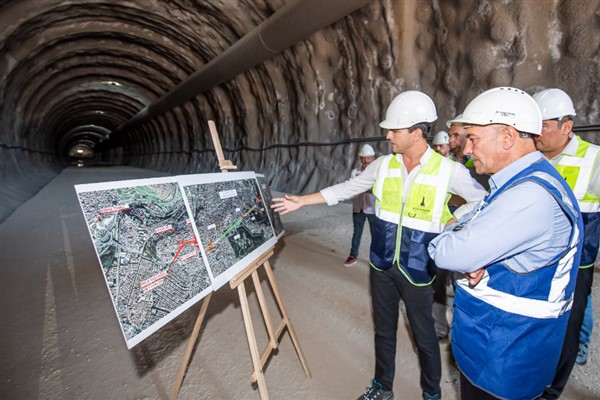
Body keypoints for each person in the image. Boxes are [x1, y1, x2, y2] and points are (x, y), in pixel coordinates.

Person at [272, 90, 487, 400]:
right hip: (382, 264)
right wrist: (303, 201)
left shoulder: (447, 170)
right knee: (383, 331)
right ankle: (382, 388)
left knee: (424, 336)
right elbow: (347, 188)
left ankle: (431, 393)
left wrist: (455, 221)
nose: (388, 134)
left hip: (418, 267)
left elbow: (481, 201)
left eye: (394, 130)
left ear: (415, 133)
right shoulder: (382, 166)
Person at [428, 87, 584, 400]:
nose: (467, 149)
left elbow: (446, 252)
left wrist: (450, 228)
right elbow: (479, 227)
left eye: (473, 138)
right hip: (496, 351)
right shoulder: (518, 183)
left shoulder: (529, 196)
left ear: (507, 137)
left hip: (506, 362)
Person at [532, 88, 599, 399]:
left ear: (567, 126)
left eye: (543, 125)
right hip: (534, 263)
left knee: (567, 330)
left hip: (574, 266)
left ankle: (552, 390)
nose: (536, 132)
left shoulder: (593, 160)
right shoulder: (531, 158)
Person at [344, 144, 377, 267]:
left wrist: (362, 189)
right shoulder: (355, 172)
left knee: (375, 234)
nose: (366, 160)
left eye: (369, 158)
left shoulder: (377, 173)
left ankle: (375, 259)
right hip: (358, 208)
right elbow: (352, 188)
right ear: (360, 158)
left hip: (372, 209)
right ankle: (353, 255)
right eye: (364, 158)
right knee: (357, 233)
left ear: (373, 158)